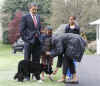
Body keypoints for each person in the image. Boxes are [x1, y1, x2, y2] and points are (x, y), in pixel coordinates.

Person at [54, 16, 80, 83]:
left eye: (72, 19)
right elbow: (65, 36)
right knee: (70, 62)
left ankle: (63, 78)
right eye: (69, 19)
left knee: (65, 61)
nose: (70, 21)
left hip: (73, 47)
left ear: (74, 20)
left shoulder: (77, 28)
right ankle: (75, 78)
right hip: (67, 46)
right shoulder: (67, 27)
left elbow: (78, 38)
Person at [19, 2, 41, 80]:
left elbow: (39, 29)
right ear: (30, 9)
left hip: (37, 42)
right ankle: (26, 76)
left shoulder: (38, 17)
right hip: (28, 42)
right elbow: (21, 31)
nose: (35, 11)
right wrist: (26, 40)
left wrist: (39, 37)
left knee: (36, 60)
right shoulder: (25, 17)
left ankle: (35, 75)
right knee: (27, 59)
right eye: (33, 9)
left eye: (36, 9)